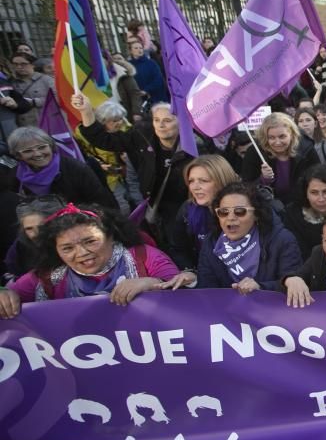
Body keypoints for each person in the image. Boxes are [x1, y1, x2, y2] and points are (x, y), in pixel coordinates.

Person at [1, 203, 189, 315]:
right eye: (67, 248)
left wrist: (153, 283)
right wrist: (5, 295)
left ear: (111, 236)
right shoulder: (47, 276)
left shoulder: (145, 257)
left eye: (90, 241)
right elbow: (9, 294)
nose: (82, 252)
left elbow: (185, 295)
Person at [74, 93, 193, 230]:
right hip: (159, 207)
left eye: (167, 120)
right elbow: (103, 140)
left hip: (190, 202)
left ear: (180, 122)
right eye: (156, 120)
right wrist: (86, 111)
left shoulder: (196, 143)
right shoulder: (141, 136)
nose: (161, 125)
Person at [197, 183, 301, 292]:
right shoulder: (211, 242)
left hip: (270, 308)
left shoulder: (282, 240)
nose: (231, 218)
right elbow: (206, 291)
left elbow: (293, 284)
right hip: (224, 308)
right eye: (224, 212)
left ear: (256, 214)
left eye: (240, 211)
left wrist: (260, 287)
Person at [2, 127, 117, 209]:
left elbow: (101, 203)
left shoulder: (76, 168)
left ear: (51, 146)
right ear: (18, 155)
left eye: (42, 147)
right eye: (27, 151)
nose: (37, 154)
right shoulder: (15, 176)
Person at [166, 155, 240, 272]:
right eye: (191, 181)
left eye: (203, 181)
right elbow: (178, 249)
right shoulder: (187, 209)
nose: (195, 187)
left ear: (222, 181)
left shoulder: (245, 210)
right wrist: (191, 272)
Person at [241, 112, 319, 205]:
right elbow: (246, 186)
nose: (277, 142)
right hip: (268, 207)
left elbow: (318, 177)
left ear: (291, 134)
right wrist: (263, 179)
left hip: (301, 203)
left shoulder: (306, 149)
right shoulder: (255, 152)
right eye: (271, 137)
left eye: (282, 136)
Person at [3, 196, 65, 285]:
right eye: (29, 229)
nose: (35, 234)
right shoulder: (19, 249)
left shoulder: (72, 246)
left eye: (42, 227)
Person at [9, 52, 53, 127]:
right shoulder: (10, 83)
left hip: (46, 123)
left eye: (23, 64)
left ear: (32, 65)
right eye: (15, 64)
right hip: (23, 126)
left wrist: (34, 102)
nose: (19, 67)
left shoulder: (46, 80)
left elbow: (57, 99)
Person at [127, 39, 168, 105]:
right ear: (130, 51)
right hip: (137, 99)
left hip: (153, 97)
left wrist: (146, 90)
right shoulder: (129, 65)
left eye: (140, 48)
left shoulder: (151, 63)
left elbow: (158, 79)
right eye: (136, 48)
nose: (139, 50)